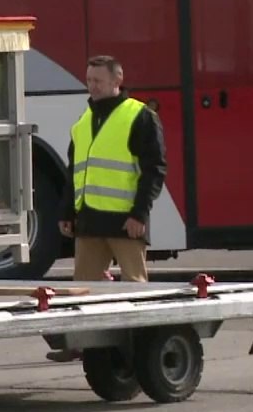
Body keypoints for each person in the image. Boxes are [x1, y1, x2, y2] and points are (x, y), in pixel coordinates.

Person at [49, 55, 166, 361]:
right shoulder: (83, 122)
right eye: (89, 80)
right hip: (89, 220)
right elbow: (75, 171)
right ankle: (80, 343)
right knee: (81, 288)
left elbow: (154, 170)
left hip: (125, 222)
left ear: (117, 81)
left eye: (98, 80)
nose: (92, 86)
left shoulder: (139, 116)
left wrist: (139, 214)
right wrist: (67, 212)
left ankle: (141, 348)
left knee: (135, 288)